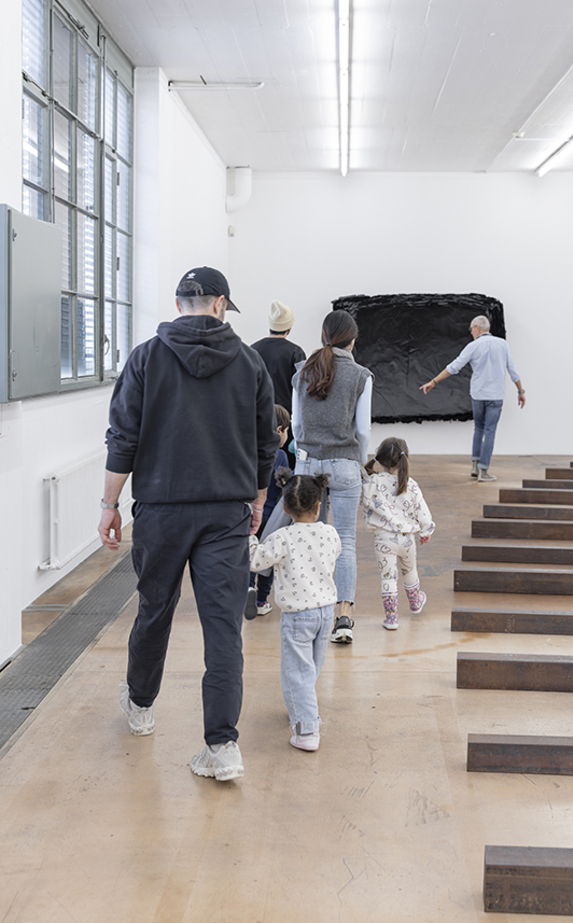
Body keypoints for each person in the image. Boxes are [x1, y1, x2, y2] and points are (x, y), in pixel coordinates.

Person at [98, 266, 279, 782]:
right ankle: (222, 747)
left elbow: (122, 438)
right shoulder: (248, 363)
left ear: (180, 304)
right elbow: (267, 443)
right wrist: (259, 497)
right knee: (223, 626)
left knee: (155, 609)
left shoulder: (146, 358)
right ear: (220, 304)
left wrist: (109, 505)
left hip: (160, 510)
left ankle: (140, 706)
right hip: (226, 513)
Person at [292, 309, 372, 645]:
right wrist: (361, 463)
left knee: (305, 539)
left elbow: (296, 425)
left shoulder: (302, 371)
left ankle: (307, 608)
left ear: (324, 336)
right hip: (345, 466)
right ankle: (343, 618)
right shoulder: (361, 375)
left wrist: (303, 457)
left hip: (308, 464)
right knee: (345, 541)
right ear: (352, 340)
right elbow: (363, 430)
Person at [249, 470, 341, 752]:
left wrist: (251, 537)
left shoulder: (282, 538)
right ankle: (299, 709)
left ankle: (307, 729)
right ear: (319, 505)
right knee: (309, 669)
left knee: (297, 671)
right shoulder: (330, 533)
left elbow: (255, 562)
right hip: (326, 612)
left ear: (286, 508)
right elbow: (335, 555)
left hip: (298, 615)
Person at [420, 315, 525, 482]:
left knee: (479, 429)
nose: (471, 332)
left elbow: (454, 367)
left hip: (478, 395)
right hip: (496, 396)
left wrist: (433, 381)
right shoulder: (502, 344)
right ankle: (484, 470)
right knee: (490, 431)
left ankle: (475, 466)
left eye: (471, 329)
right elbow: (513, 370)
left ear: (477, 328)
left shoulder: (473, 346)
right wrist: (521, 391)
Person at [362, 437, 435, 629]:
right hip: (407, 540)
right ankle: (415, 603)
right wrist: (426, 532)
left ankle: (392, 618)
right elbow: (424, 514)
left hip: (383, 540)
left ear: (381, 459)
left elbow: (362, 477)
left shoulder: (372, 482)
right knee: (410, 571)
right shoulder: (411, 485)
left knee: (388, 578)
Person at [245, 403, 291, 620]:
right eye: (287, 431)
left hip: (250, 515)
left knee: (248, 555)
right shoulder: (280, 455)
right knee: (268, 560)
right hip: (272, 518)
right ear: (279, 430)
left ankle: (246, 590)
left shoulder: (247, 451)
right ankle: (262, 601)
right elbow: (285, 486)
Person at [251, 301, 306, 466]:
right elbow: (304, 391)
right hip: (287, 424)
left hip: (256, 420)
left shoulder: (251, 351)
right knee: (286, 473)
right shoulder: (296, 352)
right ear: (289, 328)